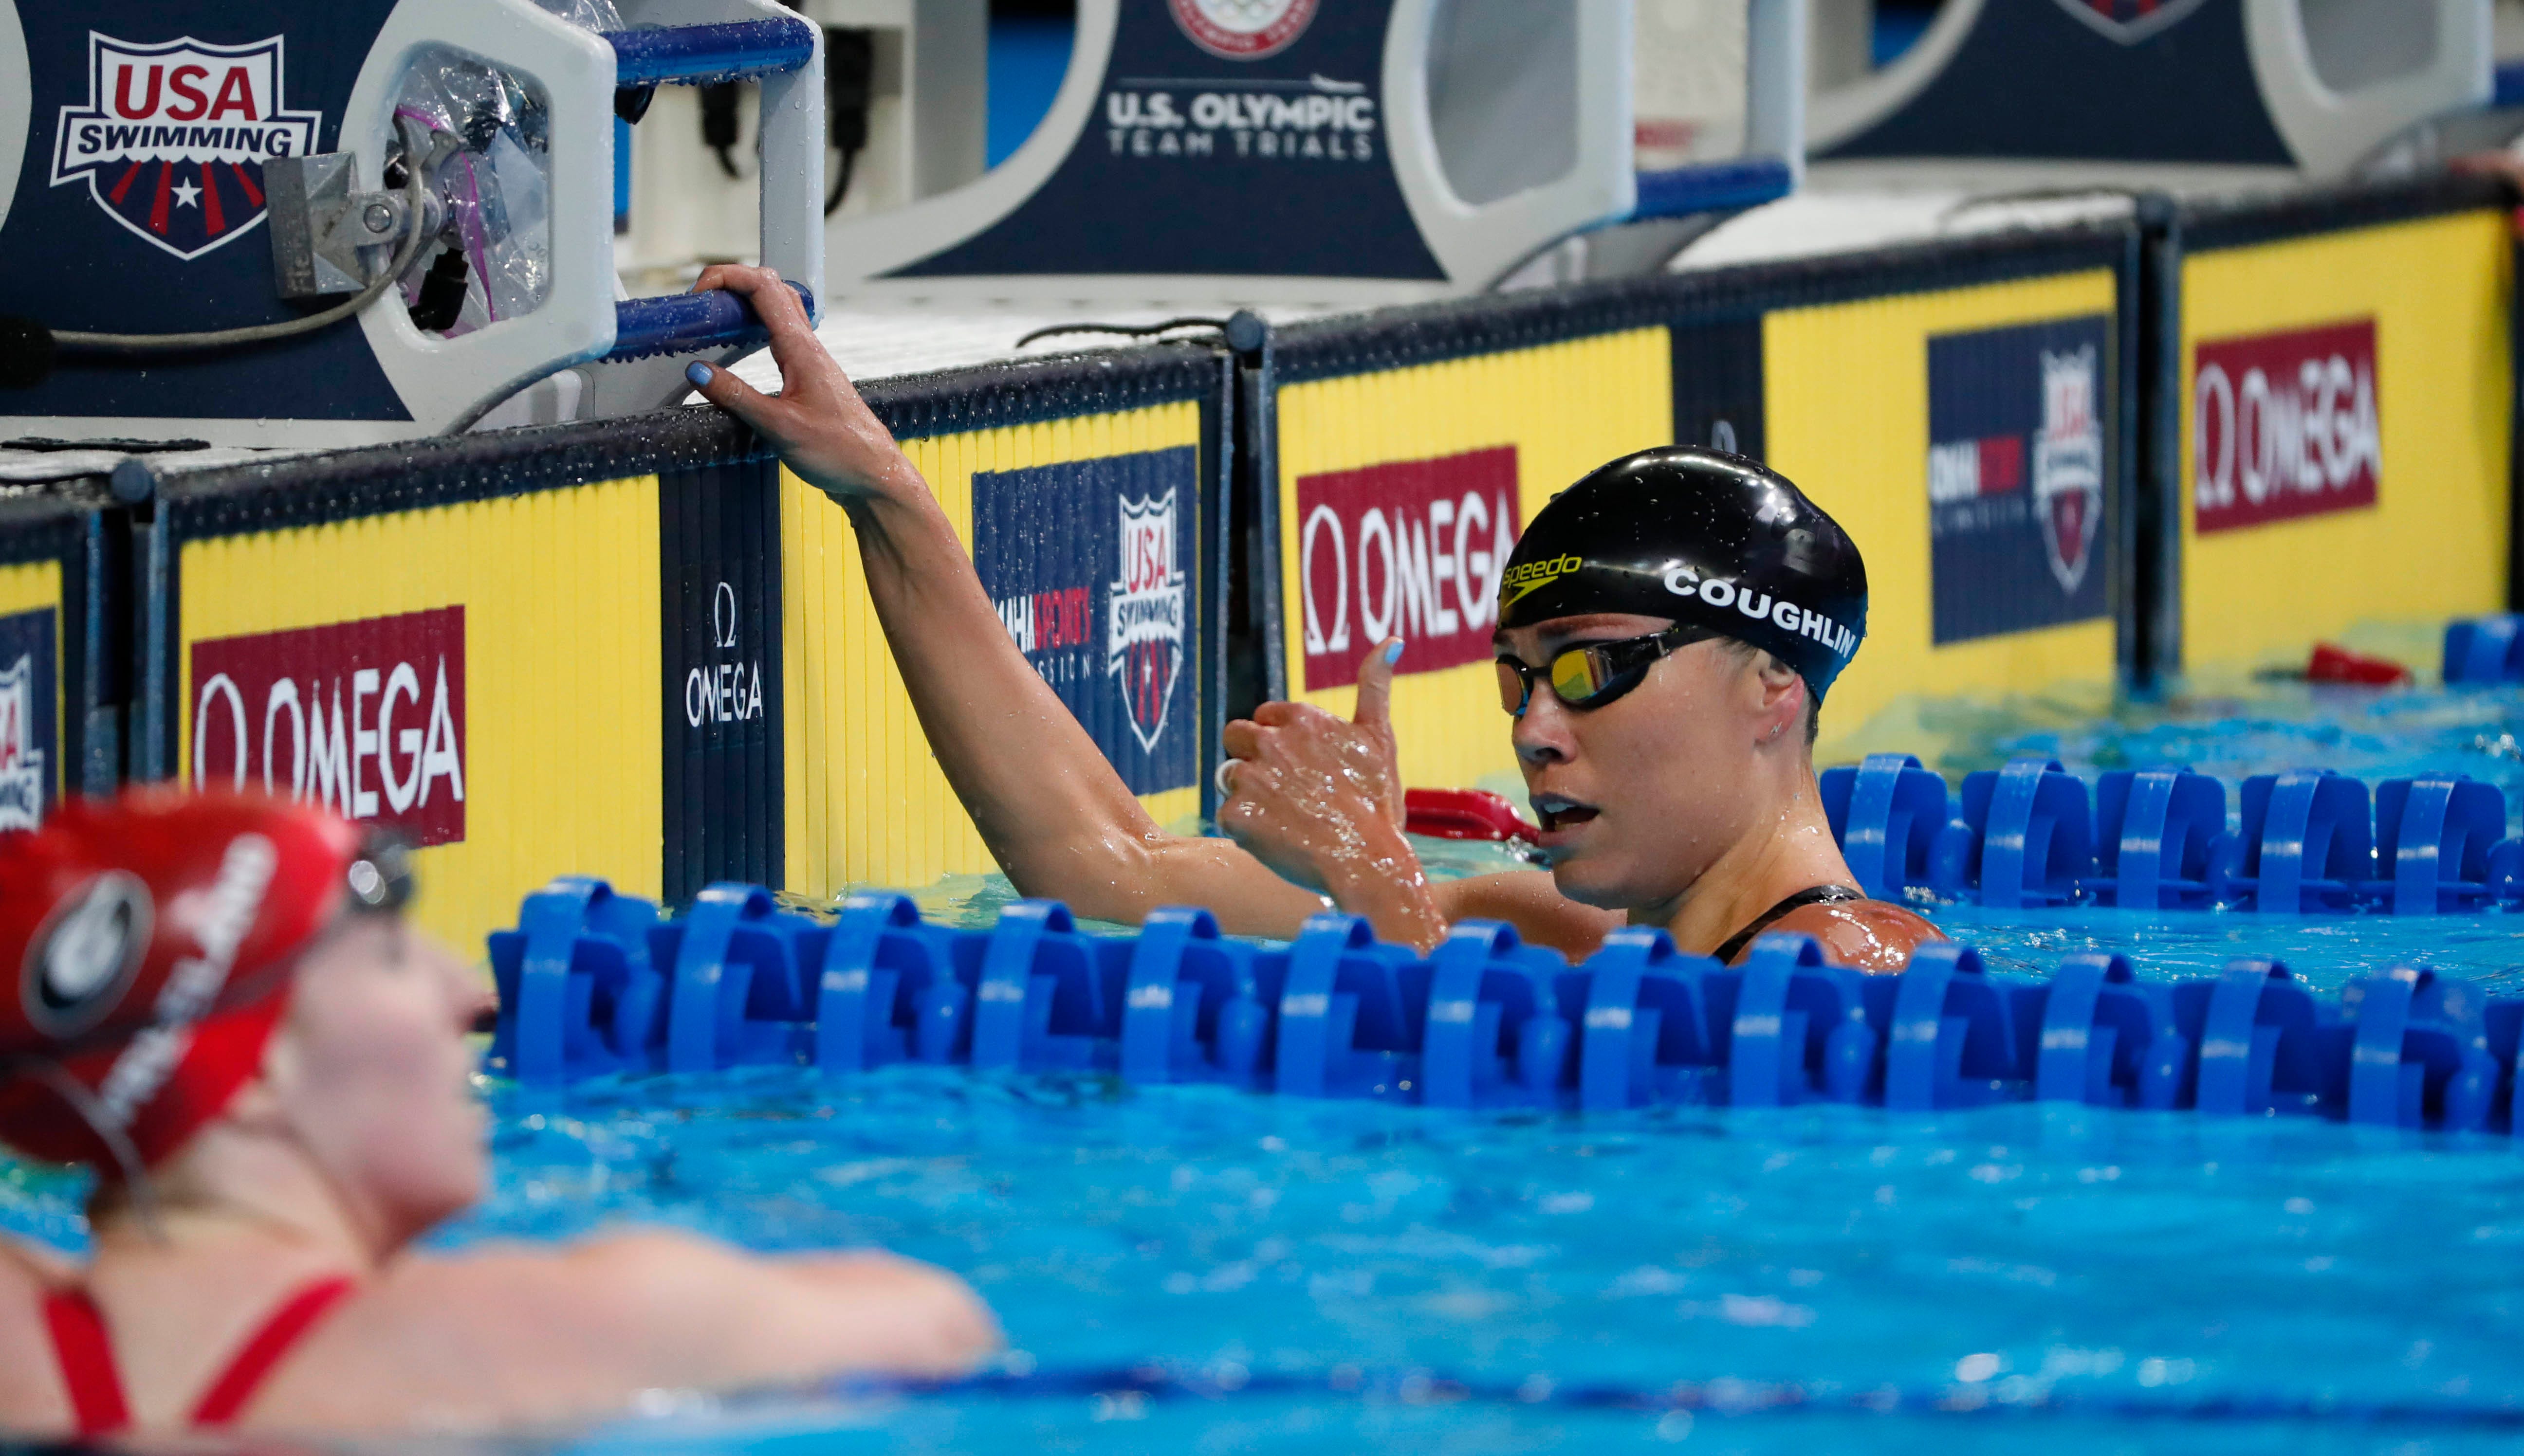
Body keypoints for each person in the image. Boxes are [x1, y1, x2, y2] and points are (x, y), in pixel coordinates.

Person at [684, 266, 1937, 970]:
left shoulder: (1861, 973)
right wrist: (887, 498)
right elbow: (1101, 866)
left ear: (1774, 686)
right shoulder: (1536, 927)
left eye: (1593, 670)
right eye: (1517, 681)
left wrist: (1377, 875)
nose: (1538, 732)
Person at [0, 789, 994, 1436]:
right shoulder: (540, 1334)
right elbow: (944, 1326)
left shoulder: (27, 1353)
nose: (460, 992)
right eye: (392, 954)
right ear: (253, 1079)